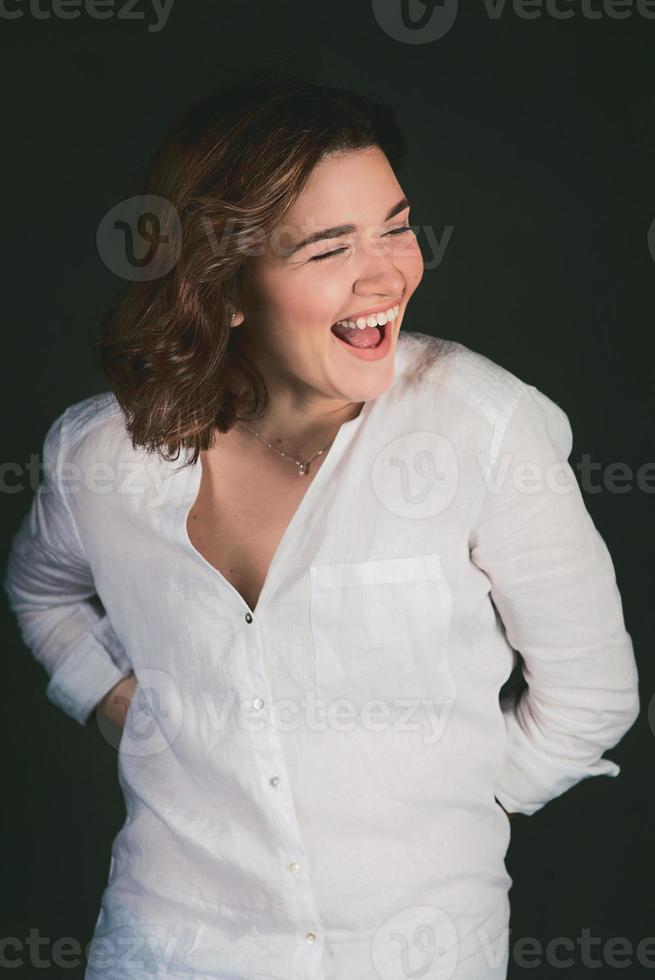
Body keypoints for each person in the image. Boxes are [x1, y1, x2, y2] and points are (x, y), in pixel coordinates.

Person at [4, 67, 639, 980]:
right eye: (329, 248)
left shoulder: (481, 425)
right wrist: (116, 701)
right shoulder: (98, 456)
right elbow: (39, 592)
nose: (388, 272)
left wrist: (453, 810)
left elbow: (592, 694)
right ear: (223, 288)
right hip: (166, 946)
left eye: (395, 225)